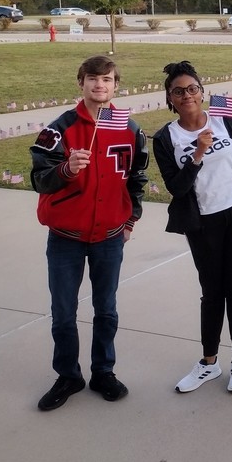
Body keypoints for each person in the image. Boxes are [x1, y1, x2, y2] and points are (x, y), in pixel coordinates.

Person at [30, 55, 149, 411]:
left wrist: (130, 220)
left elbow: (137, 179)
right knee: (63, 312)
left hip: (110, 237)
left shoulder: (129, 130)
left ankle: (103, 371)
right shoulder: (59, 130)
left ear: (116, 85)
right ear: (81, 82)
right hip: (66, 236)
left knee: (106, 309)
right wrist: (65, 169)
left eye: (107, 80)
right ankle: (68, 375)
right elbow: (39, 179)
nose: (100, 85)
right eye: (93, 79)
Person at [153, 62, 232, 394]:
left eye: (192, 89)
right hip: (203, 225)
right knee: (212, 293)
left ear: (202, 92)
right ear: (170, 99)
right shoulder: (166, 138)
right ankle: (209, 363)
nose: (187, 95)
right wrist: (198, 152)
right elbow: (177, 187)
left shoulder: (226, 122)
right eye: (179, 91)